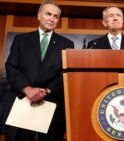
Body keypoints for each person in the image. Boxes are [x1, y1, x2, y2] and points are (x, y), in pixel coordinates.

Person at [3, 1, 74, 141]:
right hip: (22, 102)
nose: (52, 19)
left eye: (56, 16)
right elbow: (11, 67)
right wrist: (27, 89)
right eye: (48, 14)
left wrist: (46, 91)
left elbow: (65, 74)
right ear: (39, 15)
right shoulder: (21, 40)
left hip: (50, 103)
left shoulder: (67, 44)